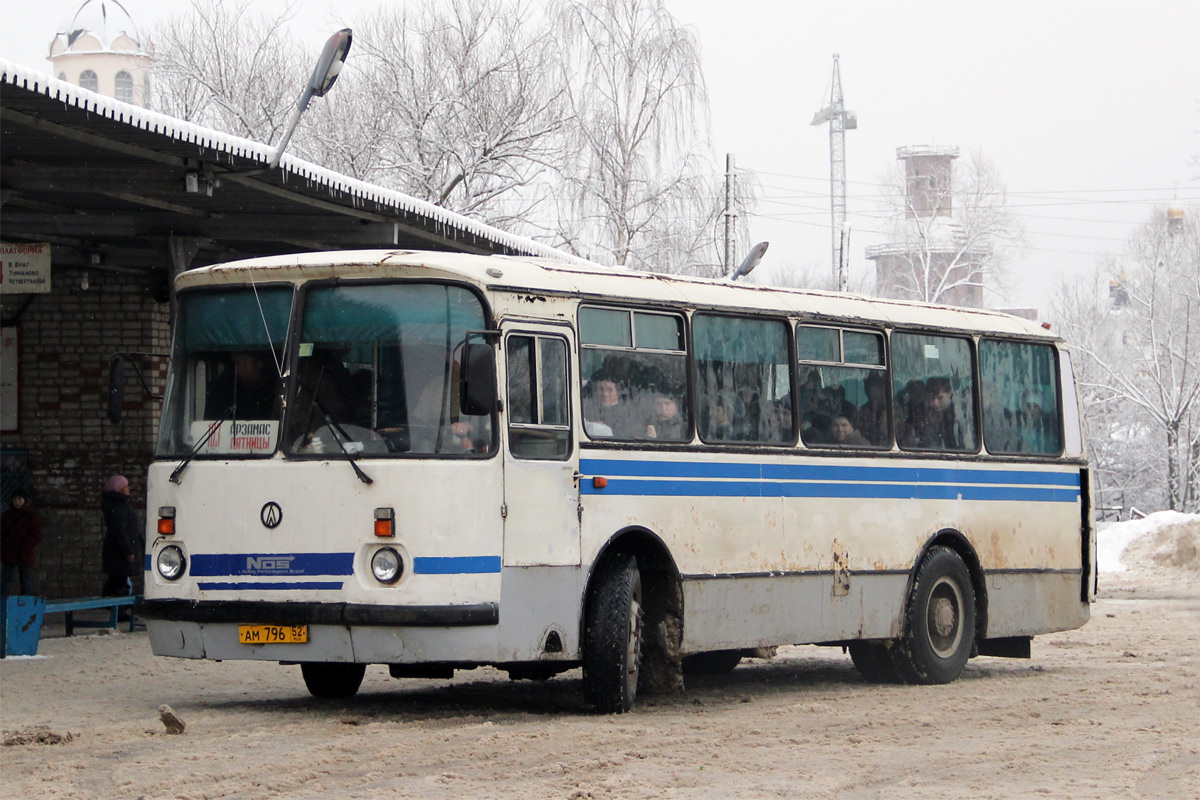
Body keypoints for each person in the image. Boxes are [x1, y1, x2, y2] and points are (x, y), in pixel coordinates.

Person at [101, 475, 144, 598]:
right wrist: (128, 551)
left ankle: (115, 608)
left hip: (117, 553)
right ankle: (118, 610)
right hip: (119, 554)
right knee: (118, 583)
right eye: (125, 486)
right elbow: (119, 531)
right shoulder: (119, 507)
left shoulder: (119, 505)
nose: (128, 488)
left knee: (117, 580)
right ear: (119, 489)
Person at [1, 490, 44, 596]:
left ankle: (25, 601)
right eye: (15, 499)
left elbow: (37, 534)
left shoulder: (31, 516)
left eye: (19, 499)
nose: (17, 502)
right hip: (9, 550)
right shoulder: (6, 516)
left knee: (25, 578)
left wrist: (26, 545)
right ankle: (3, 602)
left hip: (24, 551)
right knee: (6, 578)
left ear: (25, 501)